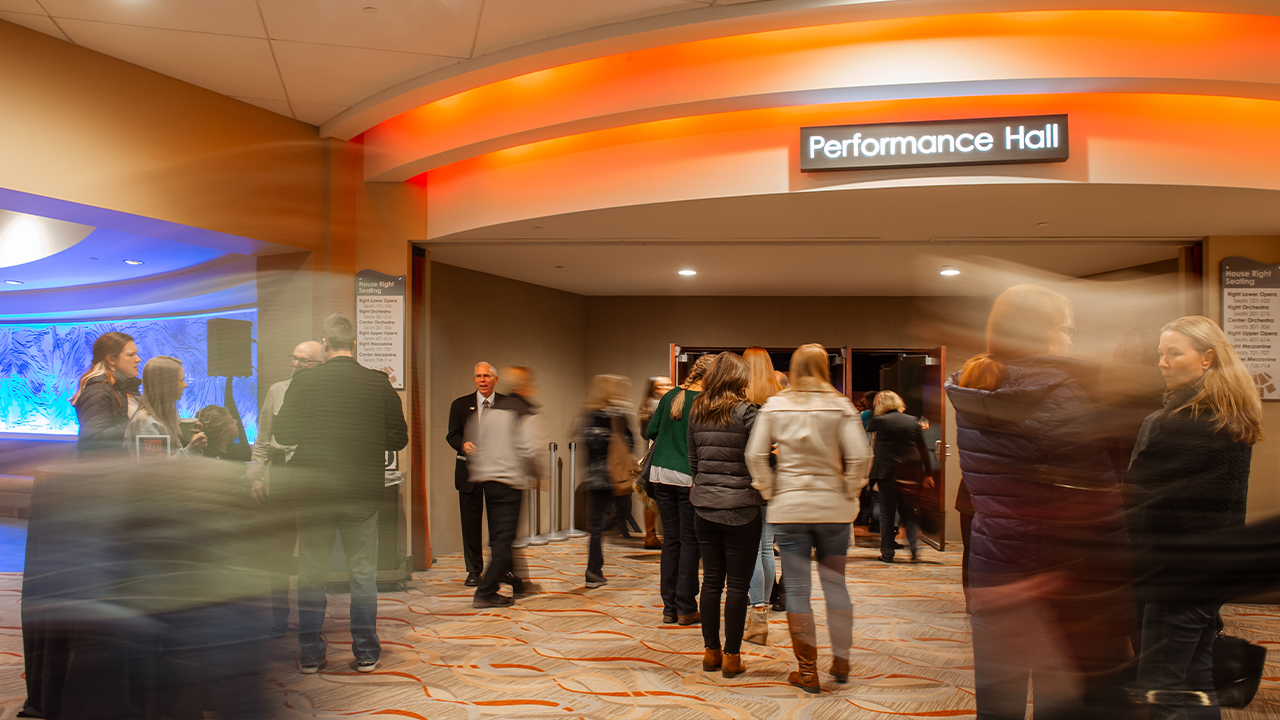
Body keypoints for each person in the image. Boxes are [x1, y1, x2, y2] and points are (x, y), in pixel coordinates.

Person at [945, 284, 1133, 719]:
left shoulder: (974, 390)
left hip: (994, 564)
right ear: (1042, 332)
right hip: (1057, 576)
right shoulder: (1061, 396)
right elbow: (1099, 504)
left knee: (998, 701)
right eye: (1068, 328)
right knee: (1059, 700)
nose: (1071, 339)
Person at [1128, 316, 1263, 720]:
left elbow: (1135, 489)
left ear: (1206, 358)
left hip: (1179, 570)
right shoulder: (1227, 412)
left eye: (1173, 353)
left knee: (1161, 687)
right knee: (1196, 678)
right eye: (1160, 354)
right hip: (1212, 566)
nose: (1163, 363)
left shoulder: (1185, 421)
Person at [273, 313, 408, 674]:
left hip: (313, 491)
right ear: (355, 344)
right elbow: (399, 438)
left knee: (311, 575)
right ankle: (365, 652)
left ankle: (311, 655)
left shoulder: (304, 381)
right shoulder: (378, 383)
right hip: (361, 491)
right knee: (363, 576)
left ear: (325, 344)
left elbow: (284, 434)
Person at [747, 343, 871, 693]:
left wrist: (770, 490)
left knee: (799, 591)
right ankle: (842, 660)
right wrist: (851, 490)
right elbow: (861, 457)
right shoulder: (841, 405)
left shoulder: (776, 405)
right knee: (836, 585)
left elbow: (755, 455)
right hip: (833, 508)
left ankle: (807, 671)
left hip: (791, 507)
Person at [688, 353, 765, 678]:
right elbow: (759, 459)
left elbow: (694, 463)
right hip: (741, 508)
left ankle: (711, 652)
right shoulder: (748, 413)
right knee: (737, 586)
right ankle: (732, 657)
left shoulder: (697, 411)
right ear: (739, 379)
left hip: (704, 507)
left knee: (711, 583)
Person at [247, 340, 323, 639]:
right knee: (277, 551)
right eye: (294, 359)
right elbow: (262, 439)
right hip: (279, 475)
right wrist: (256, 478)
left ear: (320, 363)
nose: (296, 365)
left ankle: (312, 619)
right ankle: (279, 616)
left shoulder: (324, 393)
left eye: (304, 360)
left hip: (311, 475)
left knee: (312, 551)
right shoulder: (277, 390)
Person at [467, 367, 549, 608]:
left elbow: (476, 442)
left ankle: (519, 584)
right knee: (503, 541)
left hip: (488, 482)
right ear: (526, 386)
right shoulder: (524, 412)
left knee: (502, 537)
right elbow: (531, 449)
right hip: (509, 482)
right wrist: (538, 474)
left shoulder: (490, 411)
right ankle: (485, 592)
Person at [646, 355, 714, 623]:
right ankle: (686, 606)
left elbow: (650, 430)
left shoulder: (670, 396)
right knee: (690, 542)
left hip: (660, 474)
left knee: (671, 542)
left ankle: (669, 608)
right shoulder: (706, 401)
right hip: (688, 476)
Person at [577, 374, 637, 589]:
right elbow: (630, 443)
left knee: (595, 525)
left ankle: (593, 570)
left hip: (593, 478)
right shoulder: (618, 416)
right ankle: (597, 566)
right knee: (620, 512)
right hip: (614, 477)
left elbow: (585, 441)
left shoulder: (588, 415)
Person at [447, 362, 504, 587]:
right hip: (469, 472)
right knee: (470, 525)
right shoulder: (460, 405)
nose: (482, 380)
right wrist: (463, 444)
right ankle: (474, 570)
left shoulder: (505, 406)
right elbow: (451, 435)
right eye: (478, 376)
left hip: (497, 472)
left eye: (486, 376)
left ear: (495, 379)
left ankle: (499, 569)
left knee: (498, 525)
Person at [742, 346, 781, 645]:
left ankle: (756, 609)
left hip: (749, 477)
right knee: (767, 546)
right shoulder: (781, 397)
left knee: (752, 548)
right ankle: (763, 608)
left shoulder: (739, 398)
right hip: (778, 476)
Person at [867, 390, 933, 563]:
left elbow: (870, 436)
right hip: (910, 472)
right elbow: (923, 449)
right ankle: (914, 549)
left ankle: (887, 554)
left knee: (887, 513)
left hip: (887, 473)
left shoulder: (879, 421)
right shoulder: (912, 421)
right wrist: (928, 473)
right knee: (908, 511)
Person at [71, 331, 141, 457]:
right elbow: (93, 439)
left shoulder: (124, 386)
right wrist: (139, 424)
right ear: (111, 359)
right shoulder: (98, 390)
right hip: (106, 470)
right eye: (131, 355)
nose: (138, 359)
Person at [124, 356, 208, 458]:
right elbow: (156, 468)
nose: (185, 385)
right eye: (181, 380)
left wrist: (189, 440)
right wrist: (190, 450)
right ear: (166, 384)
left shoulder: (170, 415)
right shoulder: (147, 422)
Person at [637, 375, 673, 550]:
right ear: (656, 388)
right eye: (664, 385)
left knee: (650, 497)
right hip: (659, 454)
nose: (668, 387)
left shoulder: (646, 405)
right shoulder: (659, 405)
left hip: (651, 454)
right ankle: (652, 536)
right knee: (655, 497)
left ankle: (650, 534)